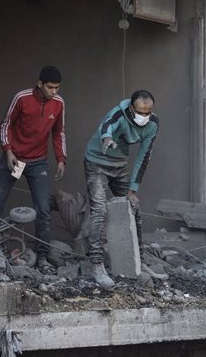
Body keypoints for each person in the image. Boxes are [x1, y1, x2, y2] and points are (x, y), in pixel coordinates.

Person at [0, 65, 66, 274]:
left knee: (42, 210)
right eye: (50, 87)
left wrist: (61, 159)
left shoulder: (58, 103)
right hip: (15, 162)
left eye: (57, 88)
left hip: (38, 164)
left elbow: (59, 133)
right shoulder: (22, 98)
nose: (54, 92)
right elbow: (5, 125)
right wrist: (8, 152)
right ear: (40, 83)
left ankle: (42, 256)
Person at [84, 90, 159, 287]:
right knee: (99, 211)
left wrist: (133, 189)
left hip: (119, 166)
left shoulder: (152, 125)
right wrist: (107, 138)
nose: (143, 117)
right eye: (140, 112)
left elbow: (144, 156)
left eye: (147, 112)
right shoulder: (120, 112)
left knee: (133, 208)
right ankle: (97, 265)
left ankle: (139, 261)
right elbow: (107, 125)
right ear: (131, 108)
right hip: (96, 163)